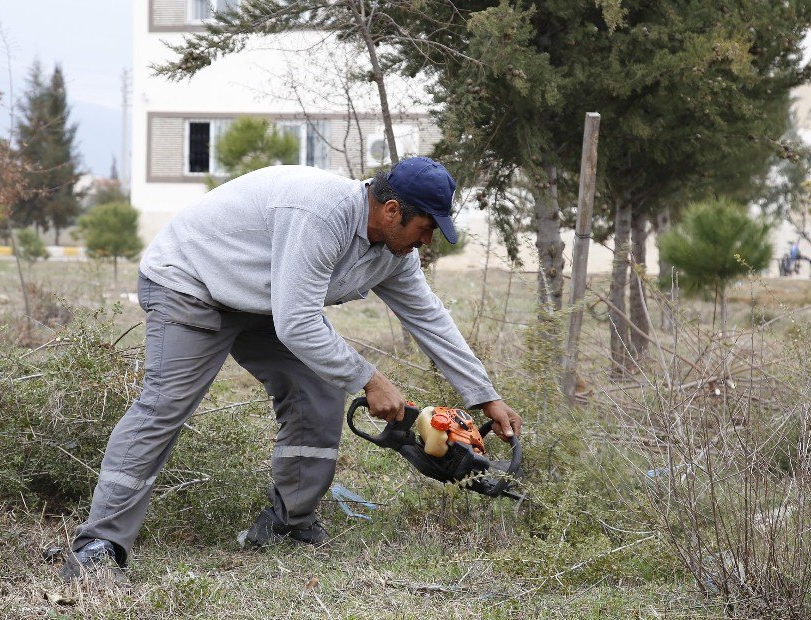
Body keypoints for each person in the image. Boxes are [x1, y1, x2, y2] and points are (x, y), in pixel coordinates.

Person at [61, 157, 523, 581]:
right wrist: (370, 379)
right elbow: (298, 322)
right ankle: (98, 545)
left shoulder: (394, 253)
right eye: (424, 228)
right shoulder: (320, 215)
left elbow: (429, 317)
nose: (426, 241)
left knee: (319, 391)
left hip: (263, 300)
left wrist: (484, 394)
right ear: (391, 209)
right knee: (165, 404)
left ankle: (289, 521)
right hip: (191, 283)